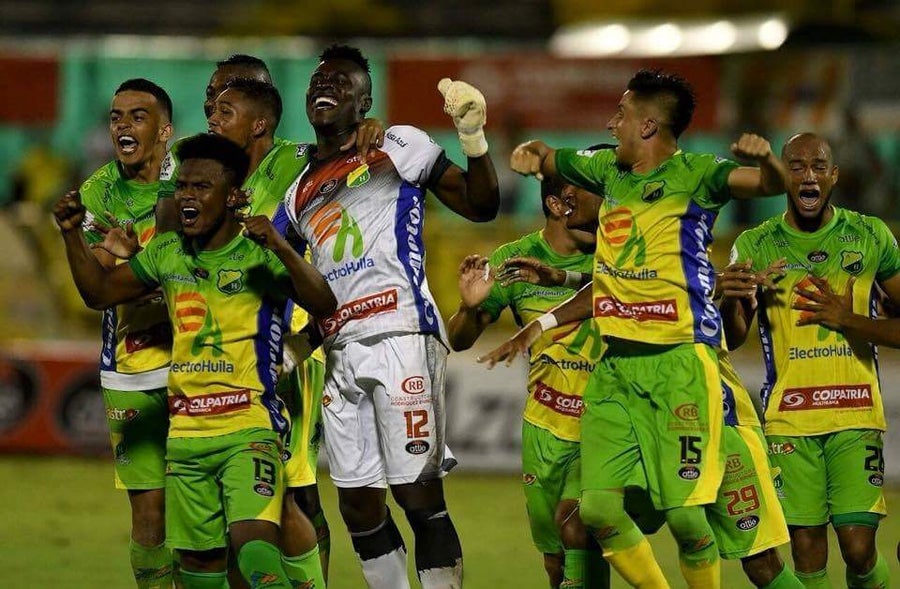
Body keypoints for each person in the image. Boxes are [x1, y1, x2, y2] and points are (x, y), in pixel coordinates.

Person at [480, 69, 788, 588]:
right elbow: (546, 155)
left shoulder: (698, 173)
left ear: (647, 126)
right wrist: (527, 153)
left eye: (620, 115)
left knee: (688, 518)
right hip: (616, 370)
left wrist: (769, 161)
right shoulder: (608, 170)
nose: (610, 124)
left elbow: (766, 184)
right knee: (595, 512)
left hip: (680, 366)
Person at [54, 132, 336, 589]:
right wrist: (72, 236)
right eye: (182, 186)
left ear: (233, 196)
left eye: (201, 187)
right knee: (199, 569)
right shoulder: (167, 254)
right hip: (185, 437)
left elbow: (324, 303)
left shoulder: (257, 255)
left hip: (248, 428)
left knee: (255, 547)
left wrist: (282, 248)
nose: (186, 196)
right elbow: (99, 293)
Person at [283, 44, 499, 588]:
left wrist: (473, 138)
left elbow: (481, 205)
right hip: (339, 352)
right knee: (357, 506)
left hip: (401, 333)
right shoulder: (296, 192)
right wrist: (294, 347)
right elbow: (302, 283)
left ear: (365, 102)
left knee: (417, 495)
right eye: (317, 81)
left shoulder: (399, 145)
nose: (324, 87)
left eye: (341, 82)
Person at [722, 132, 900, 589]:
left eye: (818, 166)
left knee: (858, 550)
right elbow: (734, 337)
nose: (808, 176)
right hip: (790, 419)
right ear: (784, 176)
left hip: (856, 413)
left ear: (834, 176)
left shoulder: (870, 235)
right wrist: (734, 297)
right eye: (797, 167)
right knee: (806, 552)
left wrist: (849, 320)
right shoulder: (756, 244)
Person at [447, 177, 608, 589]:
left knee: (580, 532)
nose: (605, 207)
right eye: (598, 197)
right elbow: (459, 340)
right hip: (545, 425)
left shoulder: (616, 253)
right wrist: (470, 308)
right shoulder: (516, 259)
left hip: (605, 422)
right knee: (556, 560)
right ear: (558, 204)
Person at [73, 78, 175, 589]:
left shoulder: (195, 176)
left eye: (138, 116)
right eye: (116, 117)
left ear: (165, 131)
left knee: (210, 509)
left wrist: (135, 262)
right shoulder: (97, 191)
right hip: (131, 367)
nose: (123, 126)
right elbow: (98, 285)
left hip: (199, 366)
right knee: (149, 515)